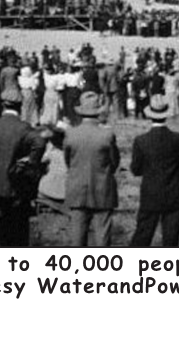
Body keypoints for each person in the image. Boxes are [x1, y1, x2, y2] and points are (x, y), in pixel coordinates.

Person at [129, 95, 179, 247]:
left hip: (150, 192)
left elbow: (136, 170)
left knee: (142, 235)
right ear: (166, 115)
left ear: (150, 116)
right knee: (171, 239)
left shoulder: (141, 140)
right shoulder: (178, 138)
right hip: (175, 192)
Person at [0, 93, 47, 246]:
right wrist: (31, 160)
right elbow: (39, 142)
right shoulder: (23, 127)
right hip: (18, 181)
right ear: (19, 107)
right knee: (20, 225)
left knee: (3, 223)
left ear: (3, 106)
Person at [62, 92, 121, 246]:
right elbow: (114, 162)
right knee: (102, 236)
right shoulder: (107, 135)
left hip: (77, 188)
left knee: (77, 237)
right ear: (98, 112)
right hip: (102, 187)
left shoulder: (71, 134)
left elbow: (68, 161)